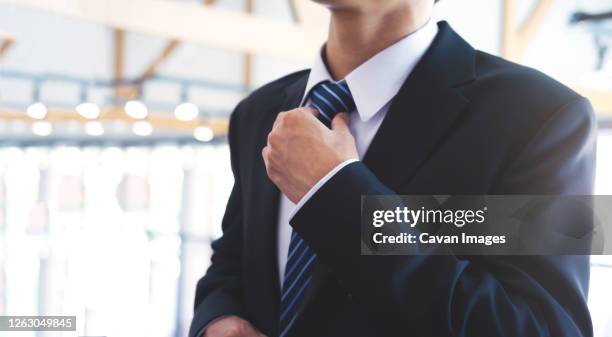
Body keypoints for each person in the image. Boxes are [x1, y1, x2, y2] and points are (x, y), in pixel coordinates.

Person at [189, 0, 597, 336]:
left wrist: (335, 193)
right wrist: (217, 320)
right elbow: (231, 260)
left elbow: (541, 327)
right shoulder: (258, 112)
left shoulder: (541, 117)